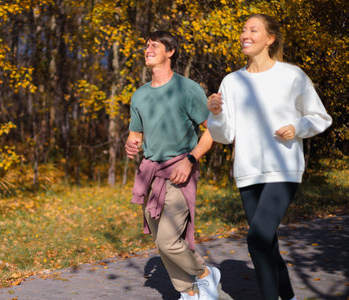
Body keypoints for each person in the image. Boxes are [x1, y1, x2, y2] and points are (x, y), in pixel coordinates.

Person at [206, 14, 332, 300]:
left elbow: (320, 117)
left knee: (257, 239)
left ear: (270, 38)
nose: (244, 35)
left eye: (253, 29)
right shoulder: (232, 81)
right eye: (243, 30)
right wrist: (215, 113)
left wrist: (297, 127)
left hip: (284, 170)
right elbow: (225, 134)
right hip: (248, 173)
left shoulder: (292, 76)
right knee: (267, 243)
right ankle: (289, 297)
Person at [125, 31, 220, 300]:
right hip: (150, 174)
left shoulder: (187, 89)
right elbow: (135, 136)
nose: (148, 49)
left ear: (170, 52)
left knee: (168, 241)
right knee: (163, 243)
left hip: (180, 171)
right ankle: (189, 293)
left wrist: (191, 161)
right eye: (146, 46)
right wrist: (130, 145)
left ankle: (205, 275)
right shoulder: (139, 95)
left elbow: (212, 130)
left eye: (155, 45)